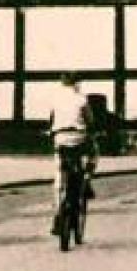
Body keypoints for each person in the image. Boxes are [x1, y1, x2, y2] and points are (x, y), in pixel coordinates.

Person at [47, 72, 96, 235]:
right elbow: (90, 120)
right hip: (79, 138)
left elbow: (51, 120)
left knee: (59, 175)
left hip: (60, 138)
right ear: (76, 84)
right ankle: (88, 179)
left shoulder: (54, 99)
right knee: (94, 151)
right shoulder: (81, 99)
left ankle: (57, 215)